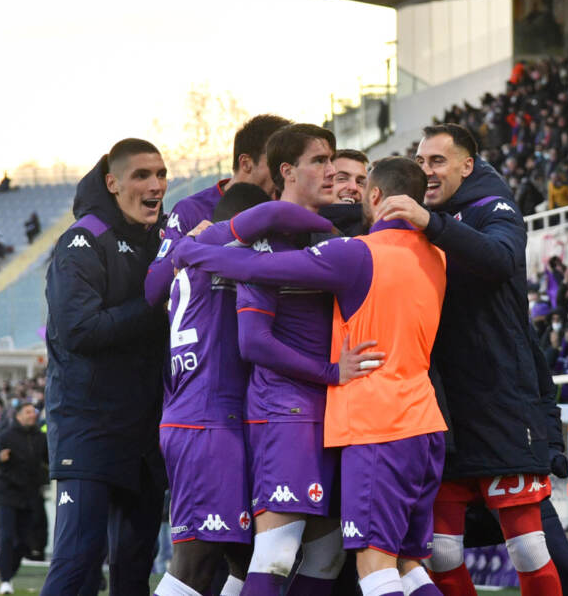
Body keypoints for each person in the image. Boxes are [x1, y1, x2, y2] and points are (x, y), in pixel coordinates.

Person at [177, 156, 450, 596]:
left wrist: (191, 250)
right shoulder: (437, 255)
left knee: (374, 569)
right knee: (407, 567)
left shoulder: (357, 252)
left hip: (376, 428)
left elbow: (258, 269)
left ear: (375, 195)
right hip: (425, 426)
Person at [374, 123, 563, 595]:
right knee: (441, 553)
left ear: (467, 166)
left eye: (438, 161)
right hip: (441, 411)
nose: (427, 171)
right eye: (420, 162)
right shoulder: (412, 221)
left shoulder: (493, 208)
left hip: (500, 407)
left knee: (528, 547)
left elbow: (500, 258)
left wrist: (431, 224)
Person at [145, 183, 343, 596]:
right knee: (194, 567)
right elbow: (270, 218)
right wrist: (340, 225)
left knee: (241, 558)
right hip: (207, 423)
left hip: (201, 417)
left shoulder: (199, 256)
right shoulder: (225, 248)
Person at [41, 138, 169, 595]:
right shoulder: (82, 241)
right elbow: (80, 330)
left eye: (161, 175)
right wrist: (154, 305)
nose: (156, 185)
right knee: (78, 564)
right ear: (113, 183)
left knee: (134, 571)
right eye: (141, 175)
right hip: (89, 429)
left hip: (147, 432)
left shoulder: (165, 238)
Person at [164, 114, 290, 238]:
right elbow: (169, 253)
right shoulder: (191, 210)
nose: (286, 172)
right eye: (277, 162)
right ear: (246, 163)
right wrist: (191, 243)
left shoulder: (287, 210)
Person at [0, 402, 48, 594]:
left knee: (25, 541)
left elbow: (49, 459)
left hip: (30, 495)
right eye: (28, 412)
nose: (33, 415)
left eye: (34, 412)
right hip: (7, 494)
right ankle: (5, 579)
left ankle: (9, 573)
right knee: (7, 536)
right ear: (18, 416)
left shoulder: (41, 438)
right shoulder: (6, 436)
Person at [320, 149, 369, 236]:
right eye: (342, 179)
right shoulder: (301, 231)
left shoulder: (379, 229)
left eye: (360, 182)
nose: (353, 187)